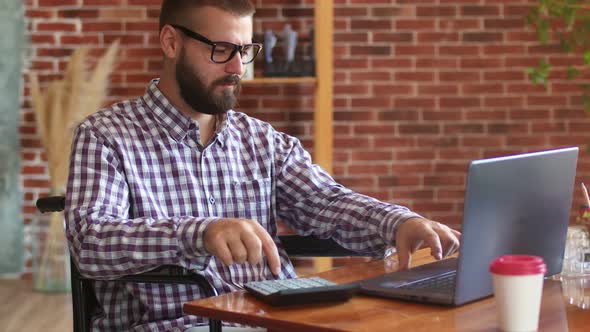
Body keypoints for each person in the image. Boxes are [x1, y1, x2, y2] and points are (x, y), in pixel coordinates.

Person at [64, 1, 461, 331]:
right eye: (221, 50)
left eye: (245, 50)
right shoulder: (106, 136)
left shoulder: (262, 140)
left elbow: (324, 201)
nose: (237, 68)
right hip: (177, 324)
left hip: (276, 318)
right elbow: (90, 242)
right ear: (171, 42)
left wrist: (400, 223)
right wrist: (200, 233)